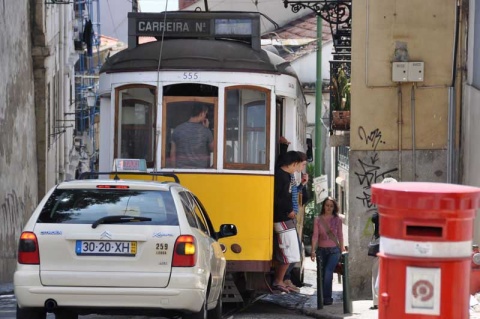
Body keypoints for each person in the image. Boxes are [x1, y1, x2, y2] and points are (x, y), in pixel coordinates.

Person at [272, 151, 303, 294]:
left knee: (292, 253)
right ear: (293, 163)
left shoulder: (284, 176)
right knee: (290, 253)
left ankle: (281, 279)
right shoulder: (281, 177)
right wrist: (289, 210)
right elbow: (280, 199)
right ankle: (279, 280)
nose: (297, 169)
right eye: (298, 165)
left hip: (284, 217)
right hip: (282, 217)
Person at [283, 151, 309, 293]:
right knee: (294, 250)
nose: (303, 168)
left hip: (292, 215)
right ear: (296, 163)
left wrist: (302, 185)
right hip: (289, 216)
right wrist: (289, 211)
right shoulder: (288, 175)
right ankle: (285, 279)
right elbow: (285, 196)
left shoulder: (292, 176)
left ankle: (286, 279)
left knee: (295, 250)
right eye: (303, 164)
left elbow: (294, 192)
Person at [310, 196, 345, 305]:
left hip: (334, 251)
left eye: (331, 206)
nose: (329, 208)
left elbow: (340, 235)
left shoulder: (337, 219)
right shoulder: (317, 219)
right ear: (323, 206)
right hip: (321, 251)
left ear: (334, 207)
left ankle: (327, 298)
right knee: (321, 275)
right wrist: (312, 251)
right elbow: (315, 236)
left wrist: (342, 248)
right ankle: (321, 298)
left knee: (328, 272)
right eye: (327, 205)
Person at [170, 104, 213, 168]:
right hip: (201, 173)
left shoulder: (177, 129)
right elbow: (214, 149)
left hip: (181, 172)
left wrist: (174, 170)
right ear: (202, 113)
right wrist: (207, 129)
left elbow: (172, 154)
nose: (205, 117)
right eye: (205, 114)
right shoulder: (206, 131)